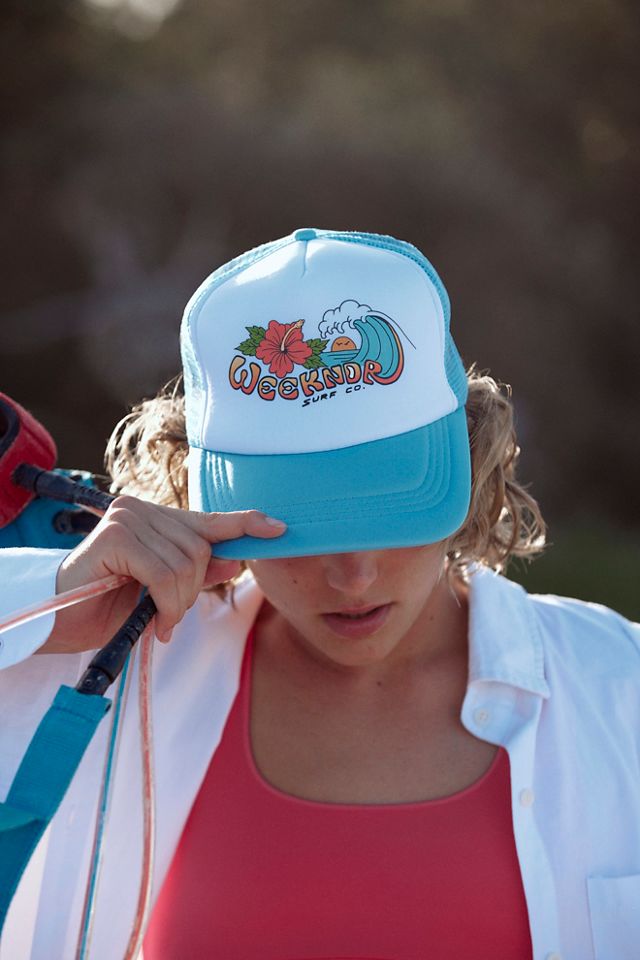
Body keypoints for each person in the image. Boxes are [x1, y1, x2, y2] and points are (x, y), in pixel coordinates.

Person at [0, 227, 638, 960]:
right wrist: (46, 599)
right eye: (297, 528)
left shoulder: (621, 686)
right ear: (200, 494)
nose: (353, 576)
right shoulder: (104, 668)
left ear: (473, 460)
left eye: (392, 514)